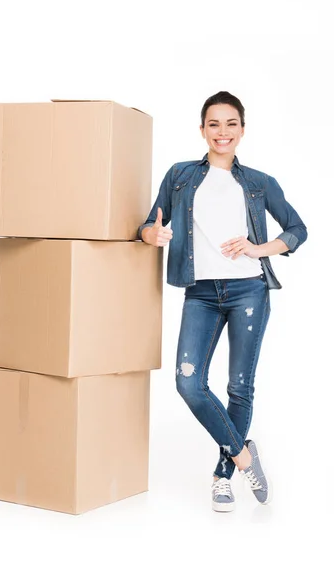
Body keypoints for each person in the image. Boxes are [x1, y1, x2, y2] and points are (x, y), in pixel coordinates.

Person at [137, 91, 307, 512]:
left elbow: (298, 230)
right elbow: (148, 223)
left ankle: (223, 475)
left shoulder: (259, 183)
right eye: (214, 124)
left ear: (242, 130)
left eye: (231, 124)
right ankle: (245, 456)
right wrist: (151, 236)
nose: (223, 132)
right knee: (188, 383)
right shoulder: (180, 176)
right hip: (201, 293)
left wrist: (258, 248)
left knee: (239, 387)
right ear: (202, 130)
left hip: (249, 291)